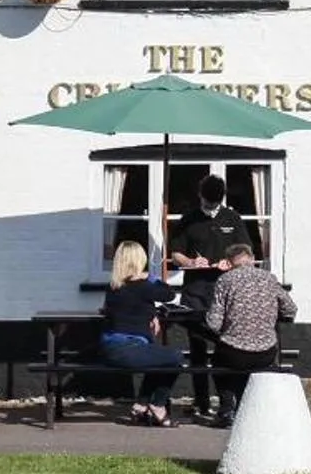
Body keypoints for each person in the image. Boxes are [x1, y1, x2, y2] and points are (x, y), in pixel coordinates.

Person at [167, 174, 249, 416]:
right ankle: (201, 401)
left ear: (221, 199)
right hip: (196, 291)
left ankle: (228, 402)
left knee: (226, 347)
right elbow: (175, 254)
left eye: (214, 204)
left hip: (226, 291)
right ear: (200, 196)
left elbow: (246, 252)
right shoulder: (188, 219)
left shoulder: (232, 218)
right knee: (197, 349)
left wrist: (231, 262)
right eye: (207, 202)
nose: (210, 208)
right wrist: (191, 261)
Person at [201, 241, 295, 422]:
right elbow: (290, 309)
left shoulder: (225, 280)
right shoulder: (269, 278)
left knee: (219, 365)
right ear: (252, 259)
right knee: (251, 363)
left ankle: (227, 409)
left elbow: (214, 323)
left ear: (229, 262)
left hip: (234, 352)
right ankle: (254, 410)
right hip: (265, 352)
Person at [97, 240, 184, 425]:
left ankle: (141, 405)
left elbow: (131, 307)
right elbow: (169, 294)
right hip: (129, 347)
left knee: (160, 359)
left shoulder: (113, 287)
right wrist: (151, 277)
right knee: (175, 357)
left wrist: (151, 314)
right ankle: (157, 405)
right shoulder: (145, 286)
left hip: (111, 347)